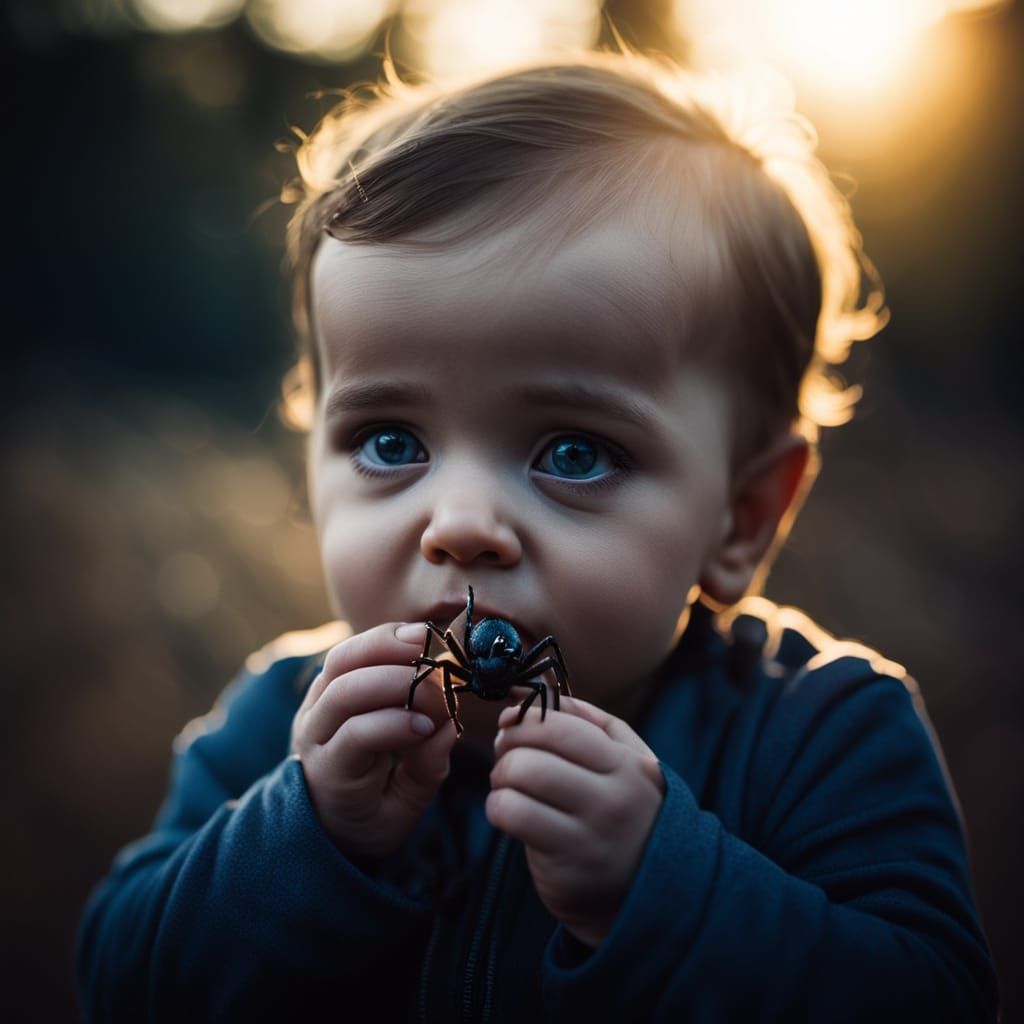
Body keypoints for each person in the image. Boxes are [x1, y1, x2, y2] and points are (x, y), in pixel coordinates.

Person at [76, 50, 999, 1021]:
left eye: (573, 452)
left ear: (743, 514)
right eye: (392, 441)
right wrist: (307, 840)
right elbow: (119, 983)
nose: (461, 523)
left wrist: (666, 891)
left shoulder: (820, 737)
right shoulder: (278, 730)